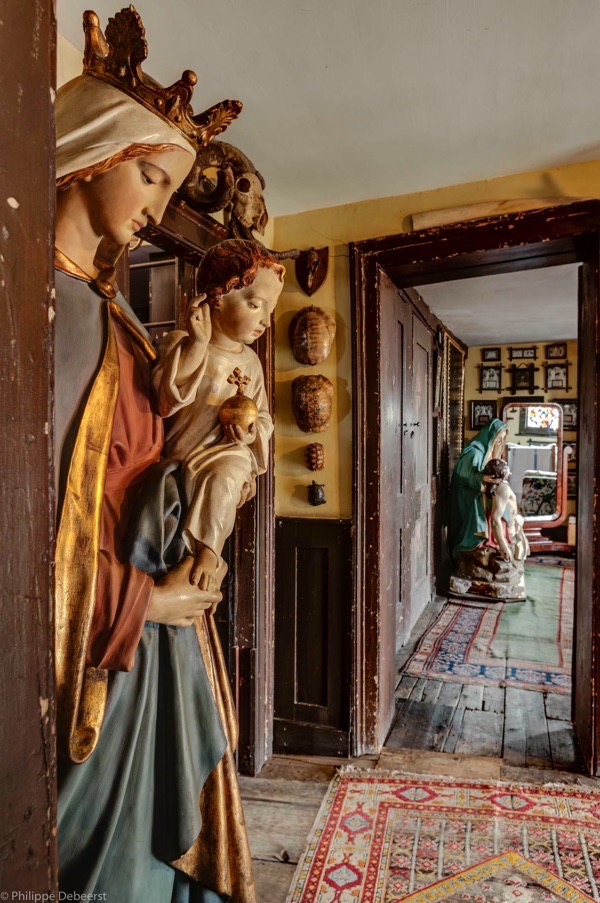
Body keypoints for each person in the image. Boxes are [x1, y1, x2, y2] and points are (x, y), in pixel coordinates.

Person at [54, 7, 255, 901]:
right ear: (93, 149)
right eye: (149, 175)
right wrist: (149, 600)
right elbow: (33, 528)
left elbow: (155, 456)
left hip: (151, 638)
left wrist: (216, 476)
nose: (156, 208)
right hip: (101, 649)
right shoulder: (44, 311)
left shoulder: (121, 320)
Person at [144, 239, 284, 592]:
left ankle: (208, 552)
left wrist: (251, 434)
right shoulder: (181, 343)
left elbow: (264, 417)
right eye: (256, 305)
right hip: (180, 457)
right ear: (217, 297)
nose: (265, 321)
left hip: (227, 453)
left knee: (227, 474)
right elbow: (166, 400)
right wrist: (198, 343)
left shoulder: (251, 362)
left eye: (270, 310)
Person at [448, 418, 528, 601]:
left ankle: (499, 541)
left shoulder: (487, 450)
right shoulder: (474, 451)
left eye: (502, 438)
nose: (499, 441)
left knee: (501, 511)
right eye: (498, 438)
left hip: (481, 491)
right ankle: (481, 543)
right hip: (469, 495)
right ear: (490, 435)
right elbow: (464, 475)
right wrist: (482, 479)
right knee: (492, 514)